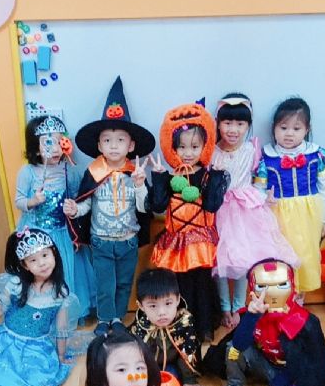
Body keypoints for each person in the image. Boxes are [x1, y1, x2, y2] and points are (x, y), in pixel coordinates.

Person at [63, 76, 155, 337]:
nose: (114, 146)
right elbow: (86, 204)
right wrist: (75, 210)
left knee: (124, 282)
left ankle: (118, 318)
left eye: (120, 140)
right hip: (101, 241)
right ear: (99, 145)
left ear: (131, 145)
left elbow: (144, 208)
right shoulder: (93, 172)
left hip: (128, 240)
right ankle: (105, 318)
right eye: (107, 140)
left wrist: (140, 185)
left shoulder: (134, 173)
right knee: (105, 283)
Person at [210, 93, 299, 328]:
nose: (233, 129)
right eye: (227, 123)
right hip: (219, 209)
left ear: (248, 125)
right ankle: (224, 308)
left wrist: (263, 197)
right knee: (219, 262)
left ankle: (239, 307)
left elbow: (259, 180)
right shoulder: (211, 151)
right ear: (218, 123)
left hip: (246, 209)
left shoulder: (251, 150)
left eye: (240, 124)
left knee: (244, 260)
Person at [0, 228, 85, 386]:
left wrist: (60, 355)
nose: (41, 263)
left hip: (38, 347)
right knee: (0, 380)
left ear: (54, 253)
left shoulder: (60, 292)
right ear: (25, 265)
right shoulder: (16, 284)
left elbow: (61, 327)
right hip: (8, 345)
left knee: (39, 380)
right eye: (33, 260)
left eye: (45, 255)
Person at [148, 101, 228, 343]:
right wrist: (158, 178)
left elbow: (212, 205)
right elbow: (158, 206)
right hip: (176, 241)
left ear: (205, 145)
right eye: (181, 147)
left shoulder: (207, 175)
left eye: (194, 146)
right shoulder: (169, 177)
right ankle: (184, 328)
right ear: (172, 147)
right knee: (180, 286)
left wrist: (216, 176)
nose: (188, 152)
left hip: (201, 240)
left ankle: (205, 327)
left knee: (202, 285)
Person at [15, 114, 94, 318]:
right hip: (39, 234)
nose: (56, 148)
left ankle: (67, 314)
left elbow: (78, 198)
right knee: (42, 273)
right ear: (35, 148)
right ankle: (43, 310)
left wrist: (73, 206)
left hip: (63, 234)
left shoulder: (70, 171)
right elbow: (19, 201)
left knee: (66, 271)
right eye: (49, 143)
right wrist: (33, 201)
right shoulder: (28, 172)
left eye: (60, 141)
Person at [259, 97, 325, 297]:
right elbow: (258, 188)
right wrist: (264, 199)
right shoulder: (265, 157)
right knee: (281, 256)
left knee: (305, 255)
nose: (289, 133)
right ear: (274, 128)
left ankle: (299, 301)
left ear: (307, 129)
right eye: (283, 128)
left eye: (296, 128)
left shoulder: (317, 155)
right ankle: (281, 301)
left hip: (308, 214)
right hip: (277, 214)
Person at [130, 267, 205, 386]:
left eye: (168, 303)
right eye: (153, 306)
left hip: (173, 365)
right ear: (141, 306)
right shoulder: (141, 326)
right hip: (149, 367)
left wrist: (189, 380)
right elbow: (135, 358)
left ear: (177, 299)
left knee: (172, 376)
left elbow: (187, 352)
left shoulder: (184, 321)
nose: (162, 312)